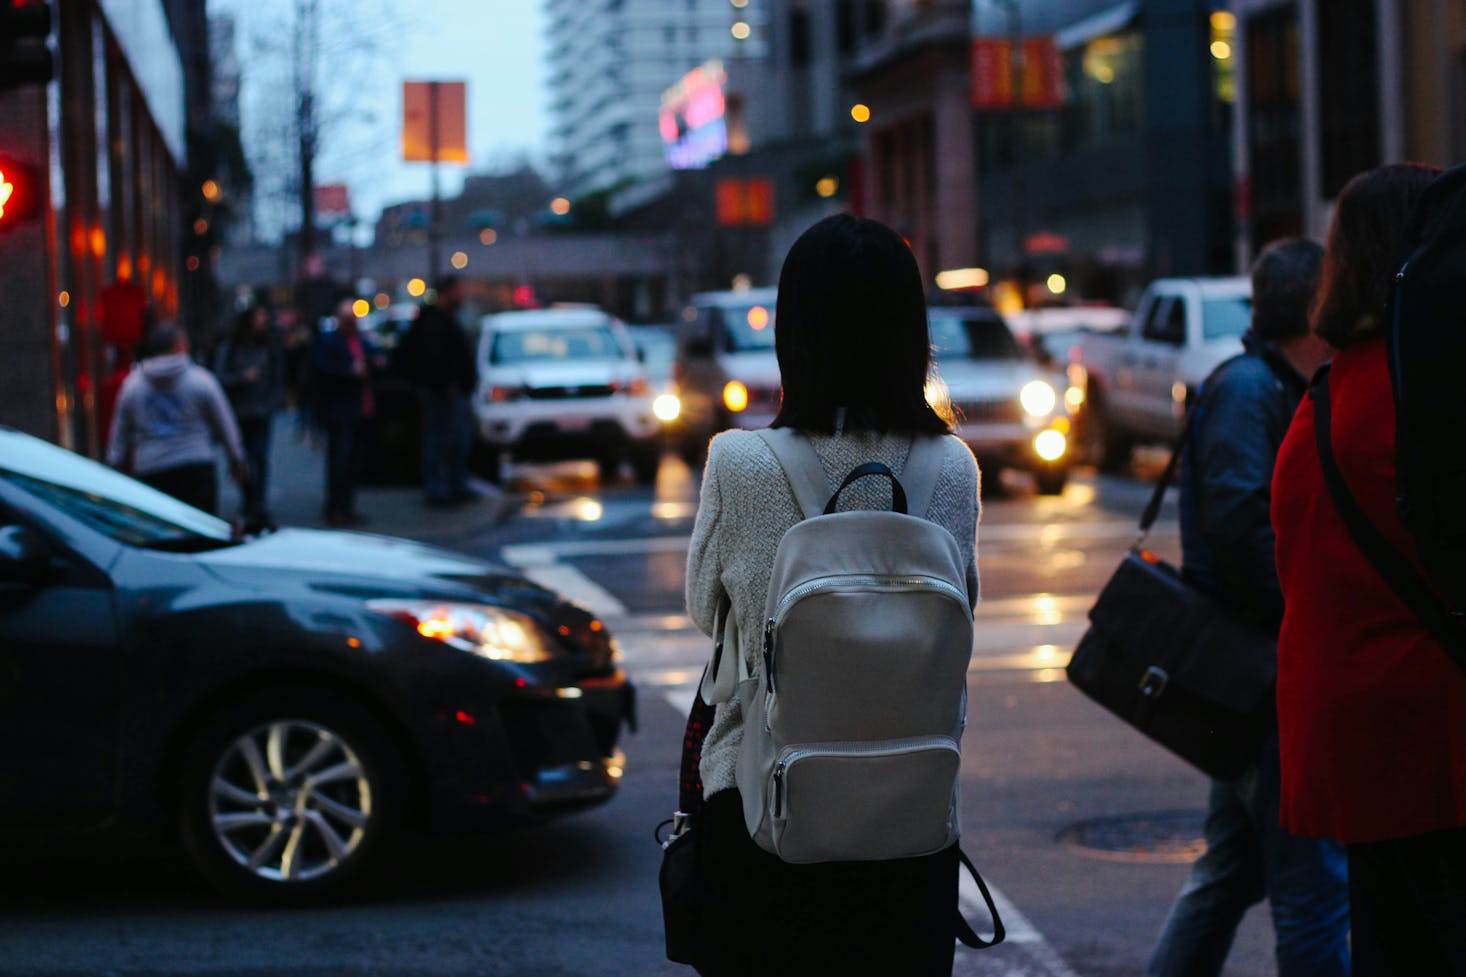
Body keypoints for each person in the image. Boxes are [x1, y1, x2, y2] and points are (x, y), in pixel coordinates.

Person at [683, 214, 981, 976]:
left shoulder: (738, 462)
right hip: (911, 822)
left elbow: (702, 610)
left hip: (761, 816)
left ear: (794, 331)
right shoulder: (952, 469)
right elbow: (960, 614)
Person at [1271, 162, 1466, 975]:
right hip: (1432, 730)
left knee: (1391, 942)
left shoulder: (1322, 396)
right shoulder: (1416, 396)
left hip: (1350, 733)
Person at [1147, 239, 1349, 977]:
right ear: (1316, 311)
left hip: (1255, 672)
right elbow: (1241, 531)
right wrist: (1316, 605)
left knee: (1233, 870)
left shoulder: (1271, 385)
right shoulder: (1249, 390)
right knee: (1312, 883)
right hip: (1256, 674)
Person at [106, 323, 246, 515]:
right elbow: (225, 423)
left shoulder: (133, 386)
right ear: (180, 346)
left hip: (151, 468)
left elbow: (119, 432)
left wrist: (114, 466)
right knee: (201, 533)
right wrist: (236, 458)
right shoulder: (201, 380)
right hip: (196, 464)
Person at [398, 274, 478, 505]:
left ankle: (452, 486)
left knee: (454, 441)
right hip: (442, 392)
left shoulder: (441, 318)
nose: (462, 294)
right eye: (459, 290)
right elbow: (432, 359)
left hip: (448, 390)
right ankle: (440, 489)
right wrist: (444, 384)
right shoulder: (434, 320)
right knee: (441, 441)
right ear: (448, 292)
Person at [214, 305, 285, 528]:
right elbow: (220, 376)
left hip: (261, 410)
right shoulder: (231, 347)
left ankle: (258, 503)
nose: (262, 322)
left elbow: (277, 376)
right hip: (239, 411)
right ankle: (250, 500)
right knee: (242, 457)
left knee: (260, 457)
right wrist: (242, 378)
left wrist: (273, 401)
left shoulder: (269, 346)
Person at [312, 300, 379, 527]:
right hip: (340, 411)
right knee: (339, 462)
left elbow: (375, 358)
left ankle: (346, 506)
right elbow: (322, 370)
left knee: (352, 462)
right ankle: (336, 508)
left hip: (359, 408)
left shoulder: (361, 340)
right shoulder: (330, 342)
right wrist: (349, 371)